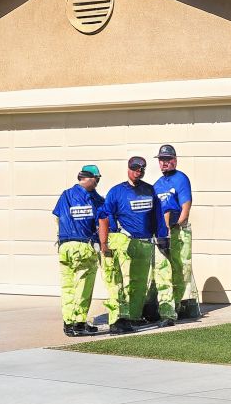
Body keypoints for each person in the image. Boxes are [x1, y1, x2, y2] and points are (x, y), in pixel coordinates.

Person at [98, 155, 175, 333]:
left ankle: (138, 316)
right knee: (125, 282)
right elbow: (106, 214)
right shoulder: (116, 191)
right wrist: (110, 238)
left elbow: (157, 215)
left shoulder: (149, 190)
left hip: (147, 242)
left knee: (142, 282)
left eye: (140, 170)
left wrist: (162, 237)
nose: (137, 172)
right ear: (128, 168)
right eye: (134, 169)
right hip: (127, 242)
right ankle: (124, 317)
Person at [52, 165, 106, 337]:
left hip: (64, 247)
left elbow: (57, 217)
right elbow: (102, 221)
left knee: (68, 287)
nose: (97, 182)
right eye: (97, 179)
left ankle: (68, 323)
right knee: (83, 287)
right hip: (83, 246)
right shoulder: (94, 198)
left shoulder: (65, 195)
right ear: (88, 178)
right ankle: (79, 323)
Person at [152, 143, 201, 320]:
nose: (164, 163)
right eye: (161, 160)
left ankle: (178, 304)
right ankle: (166, 305)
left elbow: (185, 205)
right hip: (162, 233)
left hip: (178, 230)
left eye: (167, 159)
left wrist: (178, 224)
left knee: (181, 268)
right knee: (163, 269)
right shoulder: (157, 185)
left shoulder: (181, 179)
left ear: (175, 160)